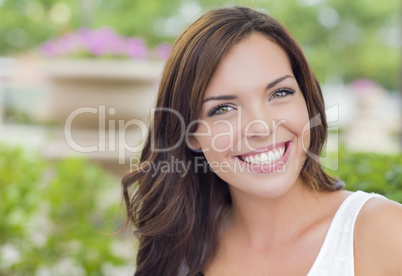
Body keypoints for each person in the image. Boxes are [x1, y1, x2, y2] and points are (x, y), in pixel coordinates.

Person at [122, 6, 402, 276]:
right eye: (223, 109)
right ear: (191, 134)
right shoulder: (179, 248)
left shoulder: (385, 233)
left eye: (279, 93)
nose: (262, 127)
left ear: (308, 100)